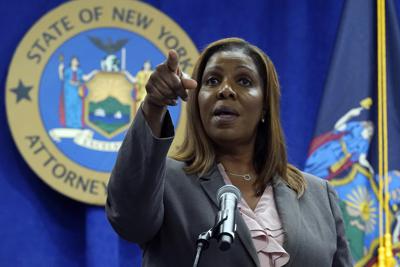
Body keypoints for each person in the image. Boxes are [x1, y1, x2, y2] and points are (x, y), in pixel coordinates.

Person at [106, 38, 352, 267]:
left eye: (244, 81)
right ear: (197, 101)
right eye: (212, 81)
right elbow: (129, 222)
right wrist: (154, 105)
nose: (225, 90)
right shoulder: (165, 181)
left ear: (265, 106)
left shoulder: (318, 195)